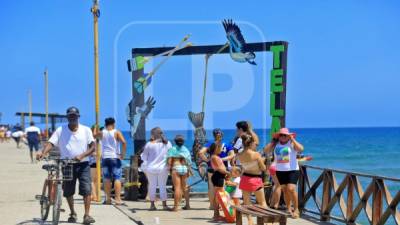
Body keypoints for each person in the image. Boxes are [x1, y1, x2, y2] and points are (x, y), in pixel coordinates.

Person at [36, 106, 96, 224]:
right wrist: (43, 153)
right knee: (68, 191)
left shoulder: (86, 130)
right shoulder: (60, 130)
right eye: (70, 116)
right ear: (67, 117)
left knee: (86, 189)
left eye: (74, 116)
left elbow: (93, 147)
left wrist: (82, 155)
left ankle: (87, 215)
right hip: (67, 164)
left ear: (78, 117)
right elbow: (51, 143)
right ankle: (72, 212)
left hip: (83, 164)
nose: (72, 118)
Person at [264, 128, 304, 219]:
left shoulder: (291, 143)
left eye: (285, 135)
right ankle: (288, 208)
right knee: (285, 190)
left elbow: (301, 149)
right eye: (281, 135)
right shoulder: (276, 144)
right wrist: (273, 142)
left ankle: (296, 209)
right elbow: (266, 151)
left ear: (288, 136)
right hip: (280, 171)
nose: (282, 137)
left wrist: (292, 139)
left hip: (292, 170)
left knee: (291, 188)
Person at [198, 128, 234, 209]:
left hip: (212, 167)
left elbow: (200, 152)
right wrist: (223, 159)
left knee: (211, 188)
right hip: (222, 168)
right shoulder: (227, 144)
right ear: (222, 134)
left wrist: (207, 160)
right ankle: (220, 205)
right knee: (221, 188)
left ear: (214, 135)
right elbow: (232, 155)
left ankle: (212, 205)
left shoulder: (210, 143)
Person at [96, 118, 127, 205]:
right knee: (117, 178)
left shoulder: (102, 132)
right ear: (113, 123)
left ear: (105, 124)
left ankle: (108, 199)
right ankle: (117, 199)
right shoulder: (116, 132)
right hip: (114, 157)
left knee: (106, 179)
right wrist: (123, 154)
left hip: (105, 158)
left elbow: (94, 136)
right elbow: (124, 142)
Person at [238, 134, 267, 225]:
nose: (255, 144)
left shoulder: (240, 154)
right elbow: (263, 169)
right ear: (250, 144)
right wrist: (263, 160)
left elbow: (245, 165)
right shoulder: (256, 154)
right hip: (255, 179)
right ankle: (265, 221)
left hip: (245, 179)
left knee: (247, 203)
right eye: (255, 143)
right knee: (262, 202)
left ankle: (250, 221)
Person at [140, 127, 171, 210]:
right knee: (162, 186)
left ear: (153, 135)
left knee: (152, 186)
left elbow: (143, 157)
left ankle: (152, 205)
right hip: (163, 168)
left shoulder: (149, 144)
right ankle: (164, 205)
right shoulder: (167, 143)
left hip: (151, 168)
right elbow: (170, 155)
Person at [166, 135, 192, 211]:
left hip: (176, 167)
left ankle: (176, 207)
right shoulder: (185, 149)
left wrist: (169, 168)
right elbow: (189, 161)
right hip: (184, 168)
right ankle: (187, 205)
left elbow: (169, 161)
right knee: (185, 187)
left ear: (175, 141)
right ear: (183, 142)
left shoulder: (172, 149)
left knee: (177, 188)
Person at [210, 143, 230, 221]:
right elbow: (219, 169)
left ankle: (217, 214)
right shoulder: (214, 157)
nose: (222, 149)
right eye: (220, 148)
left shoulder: (215, 157)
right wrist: (228, 173)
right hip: (218, 176)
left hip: (219, 176)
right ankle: (216, 215)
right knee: (219, 196)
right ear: (216, 149)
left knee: (218, 196)